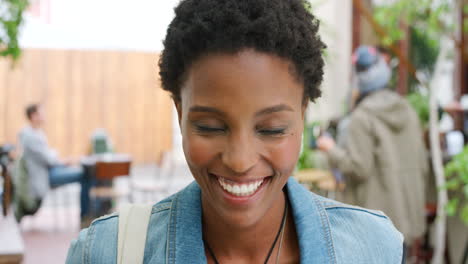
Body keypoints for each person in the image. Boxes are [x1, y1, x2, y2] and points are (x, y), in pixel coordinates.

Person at [66, 1, 404, 263]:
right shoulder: (105, 254)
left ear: (303, 115)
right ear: (180, 113)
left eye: (272, 129)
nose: (240, 161)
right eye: (210, 126)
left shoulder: (372, 249)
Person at [317, 46, 428, 247]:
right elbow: (422, 160)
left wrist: (330, 149)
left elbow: (359, 168)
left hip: (376, 223)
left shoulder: (362, 117)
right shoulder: (408, 110)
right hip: (406, 217)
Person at [16, 104, 92, 223]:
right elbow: (49, 159)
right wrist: (62, 160)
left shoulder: (37, 133)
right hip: (44, 175)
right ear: (34, 116)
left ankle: (87, 214)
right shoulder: (29, 136)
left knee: (83, 172)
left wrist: (59, 159)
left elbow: (48, 155)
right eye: (41, 113)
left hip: (50, 169)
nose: (44, 116)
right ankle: (85, 217)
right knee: (84, 175)